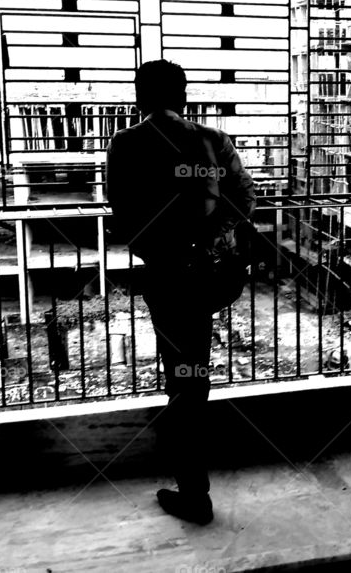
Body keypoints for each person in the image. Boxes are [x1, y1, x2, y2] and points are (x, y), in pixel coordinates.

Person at [106, 59, 256, 525]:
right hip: (209, 276)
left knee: (184, 383)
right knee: (193, 376)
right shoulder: (212, 140)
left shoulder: (126, 144)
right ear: (184, 96)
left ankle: (196, 496)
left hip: (168, 278)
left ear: (140, 98)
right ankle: (195, 489)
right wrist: (209, 237)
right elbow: (244, 198)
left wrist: (162, 249)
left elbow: (123, 212)